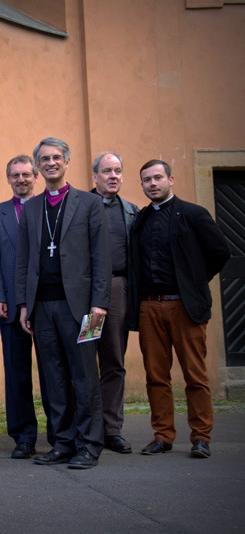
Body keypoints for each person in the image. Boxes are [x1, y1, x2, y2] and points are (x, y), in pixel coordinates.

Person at [16, 137, 110, 469]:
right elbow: (23, 260)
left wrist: (100, 304)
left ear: (67, 162)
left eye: (57, 157)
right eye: (44, 158)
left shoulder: (89, 203)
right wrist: (24, 305)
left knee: (85, 376)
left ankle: (89, 444)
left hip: (83, 308)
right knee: (52, 378)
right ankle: (62, 441)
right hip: (43, 308)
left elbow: (102, 257)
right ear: (38, 165)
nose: (51, 162)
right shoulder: (30, 207)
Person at [131, 159, 230, 458]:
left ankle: (201, 437)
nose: (152, 184)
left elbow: (220, 252)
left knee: (195, 375)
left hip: (184, 306)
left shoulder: (193, 214)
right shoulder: (141, 220)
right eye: (147, 179)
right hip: (149, 308)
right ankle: (163, 435)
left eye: (158, 178)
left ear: (171, 180)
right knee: (156, 376)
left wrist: (194, 281)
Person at [0, 155, 52, 459]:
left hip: (48, 302)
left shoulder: (48, 208)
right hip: (10, 304)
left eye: (26, 174)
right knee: (16, 373)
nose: (21, 179)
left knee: (54, 371)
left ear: (36, 177)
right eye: (15, 175)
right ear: (8, 178)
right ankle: (24, 436)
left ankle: (60, 431)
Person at [90, 151, 140, 454]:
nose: (113, 176)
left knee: (114, 360)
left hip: (117, 291)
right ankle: (87, 426)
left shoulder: (132, 211)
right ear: (94, 176)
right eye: (107, 171)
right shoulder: (81, 207)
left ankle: (112, 429)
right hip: (89, 297)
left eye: (118, 171)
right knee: (84, 359)